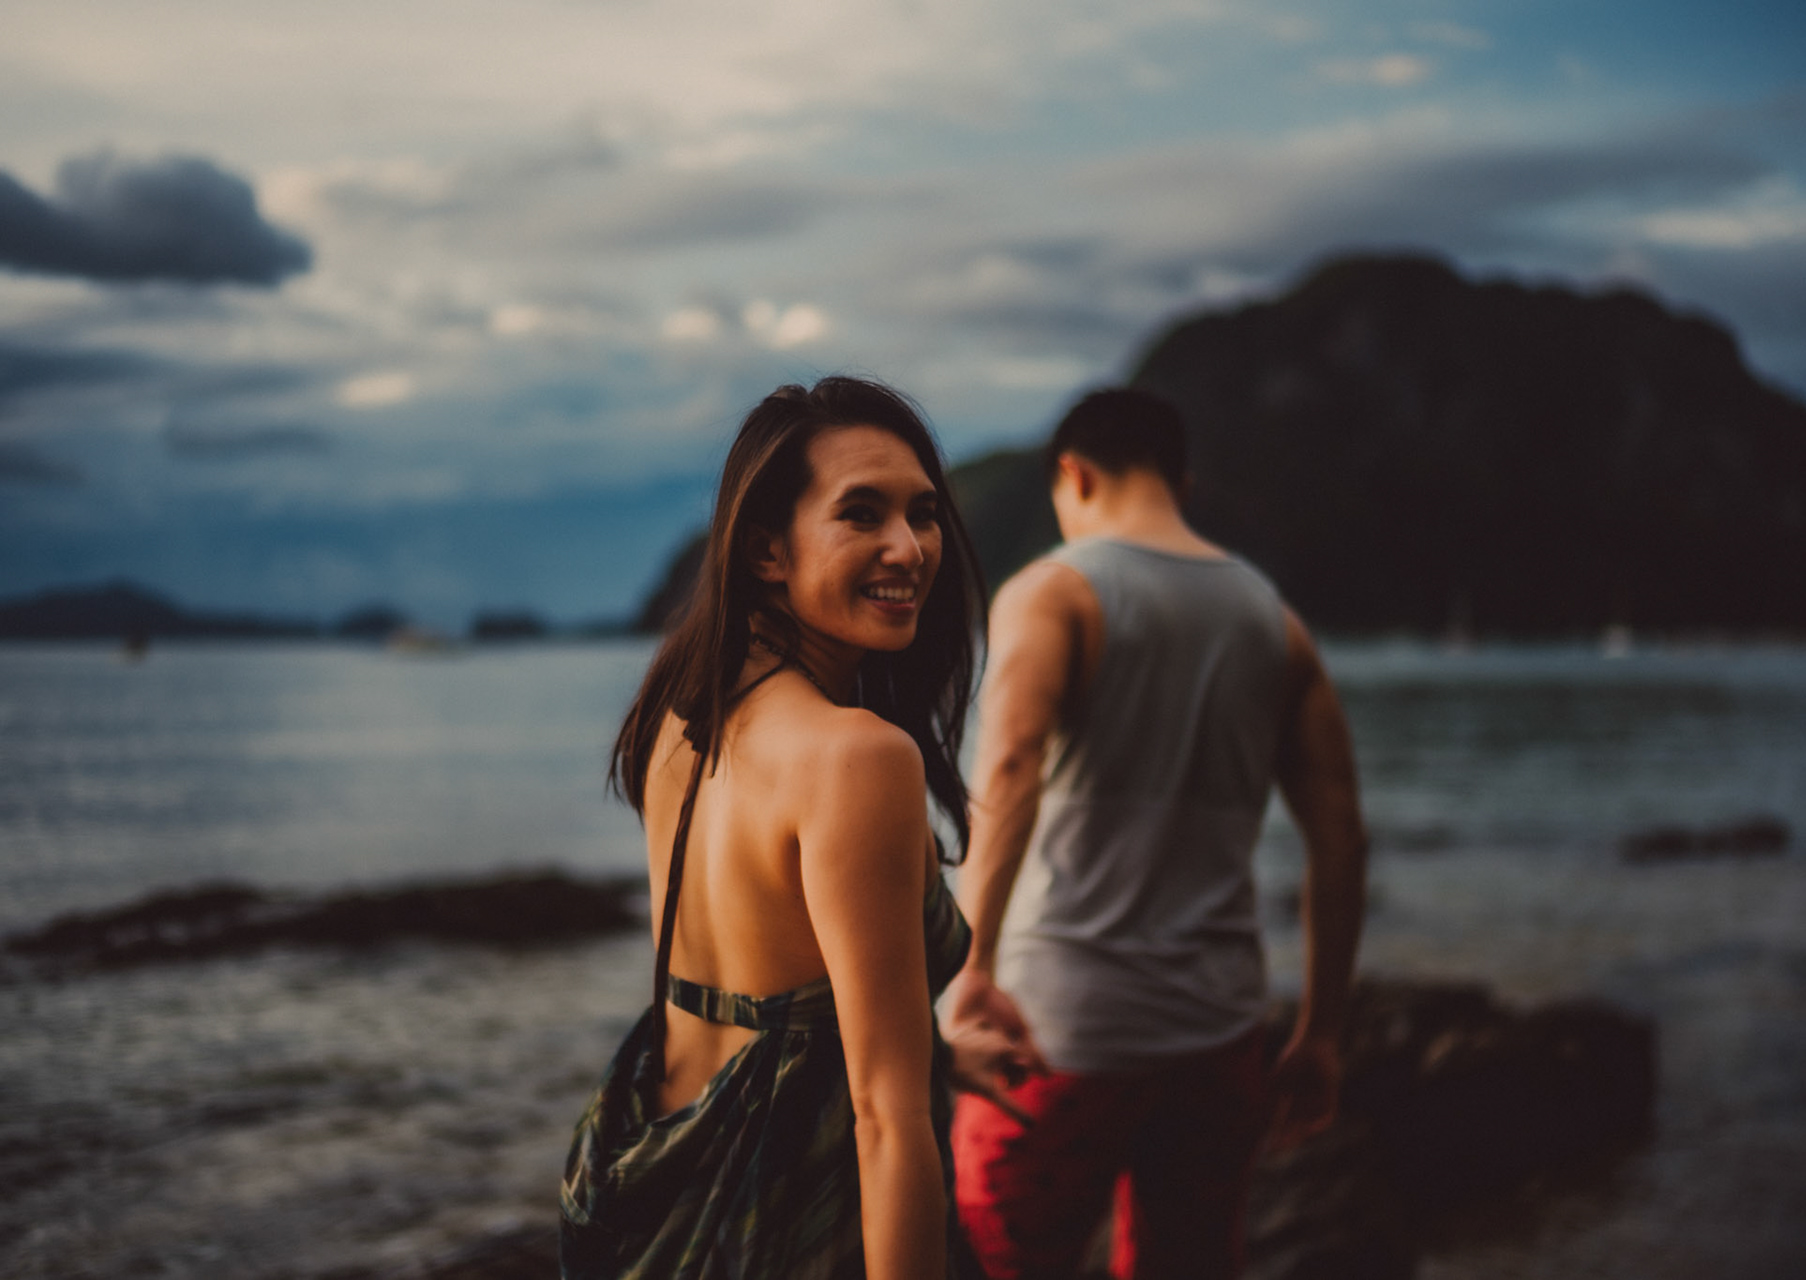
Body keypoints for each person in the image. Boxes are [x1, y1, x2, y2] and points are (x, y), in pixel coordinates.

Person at [561, 376, 1018, 1280]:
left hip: (656, 1193)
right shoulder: (858, 758)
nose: (910, 547)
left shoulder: (680, 719)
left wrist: (939, 1053)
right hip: (791, 1218)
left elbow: (753, 984)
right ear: (769, 552)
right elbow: (887, 1118)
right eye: (862, 514)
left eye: (923, 513)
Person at [943, 387, 1369, 1280]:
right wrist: (1322, 1029)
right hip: (1219, 1031)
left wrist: (970, 968)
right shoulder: (1275, 622)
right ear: (1181, 478)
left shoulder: (1053, 591)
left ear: (1074, 475)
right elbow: (1340, 835)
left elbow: (1010, 766)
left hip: (1058, 1026)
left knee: (997, 1262)